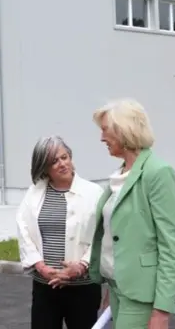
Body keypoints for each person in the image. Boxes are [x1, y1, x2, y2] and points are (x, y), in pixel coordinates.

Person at [88, 99, 175, 329]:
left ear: (123, 130)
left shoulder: (158, 173)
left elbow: (171, 245)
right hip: (118, 288)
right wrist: (110, 287)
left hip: (141, 295)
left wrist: (162, 310)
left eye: (105, 130)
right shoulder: (121, 174)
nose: (101, 138)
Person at [15, 136, 105, 329]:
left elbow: (102, 235)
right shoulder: (34, 193)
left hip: (83, 287)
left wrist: (81, 266)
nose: (62, 164)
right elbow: (23, 229)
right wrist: (40, 266)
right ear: (44, 168)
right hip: (44, 287)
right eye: (54, 161)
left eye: (64, 157)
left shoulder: (94, 192)